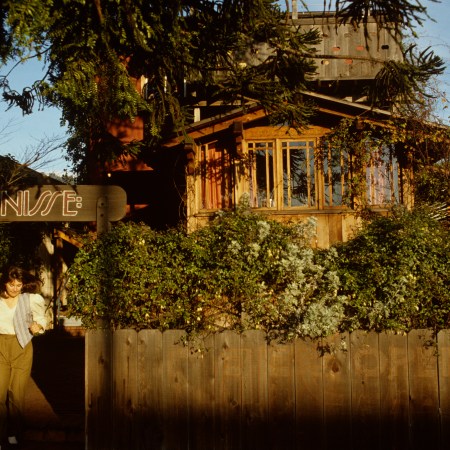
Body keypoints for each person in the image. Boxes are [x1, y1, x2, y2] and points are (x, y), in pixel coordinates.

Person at [0, 267, 47, 449]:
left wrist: (38, 326)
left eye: (19, 285)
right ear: (5, 282)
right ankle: (1, 436)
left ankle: (14, 433)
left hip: (22, 347)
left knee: (16, 395)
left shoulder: (31, 299)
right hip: (1, 346)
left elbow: (42, 319)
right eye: (12, 285)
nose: (15, 289)